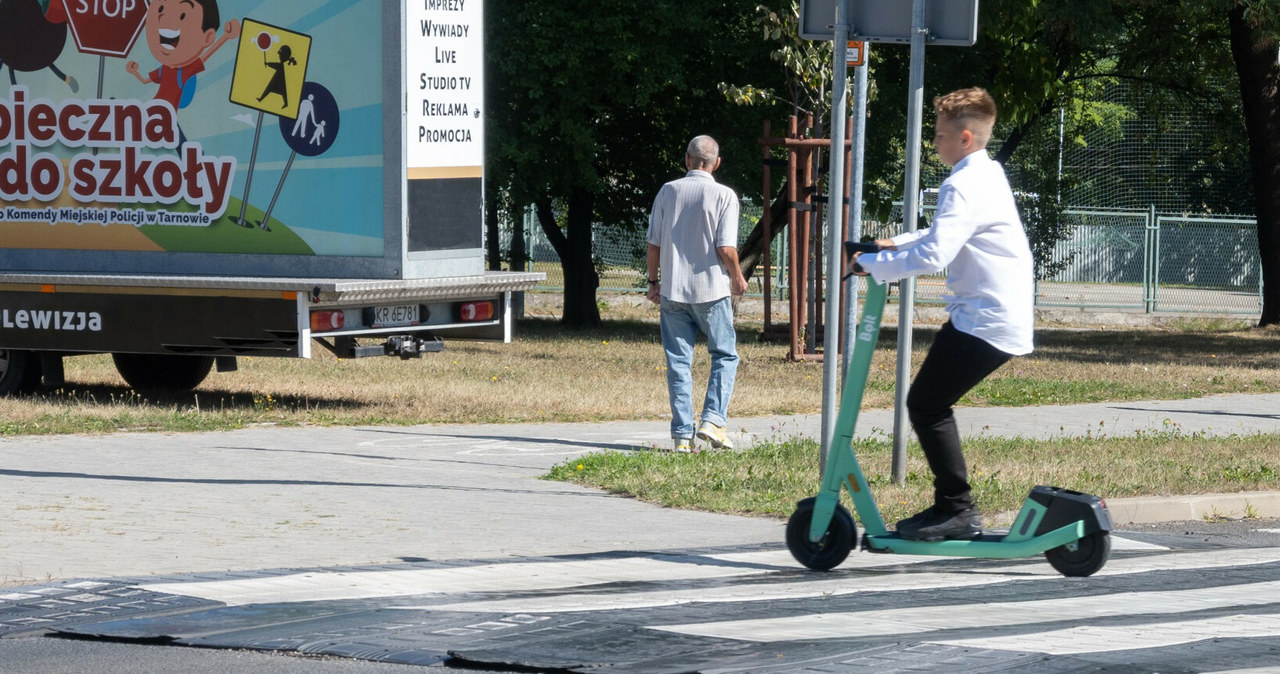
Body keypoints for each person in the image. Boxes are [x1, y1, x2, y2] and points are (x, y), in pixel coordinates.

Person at [852, 87, 1034, 541]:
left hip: (986, 318)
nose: (933, 143)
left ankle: (957, 510)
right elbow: (942, 233)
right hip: (990, 314)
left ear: (966, 138)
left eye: (938, 136)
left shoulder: (963, 183)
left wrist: (870, 265)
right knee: (929, 403)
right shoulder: (987, 174)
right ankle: (953, 507)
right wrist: (894, 244)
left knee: (927, 405)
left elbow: (936, 253)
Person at [646, 135, 748, 453]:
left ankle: (681, 436)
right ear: (716, 163)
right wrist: (737, 277)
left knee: (678, 362)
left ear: (687, 160)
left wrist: (653, 282)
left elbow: (653, 244)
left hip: (673, 291)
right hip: (711, 291)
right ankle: (713, 421)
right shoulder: (724, 195)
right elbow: (725, 248)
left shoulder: (668, 191)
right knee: (725, 355)